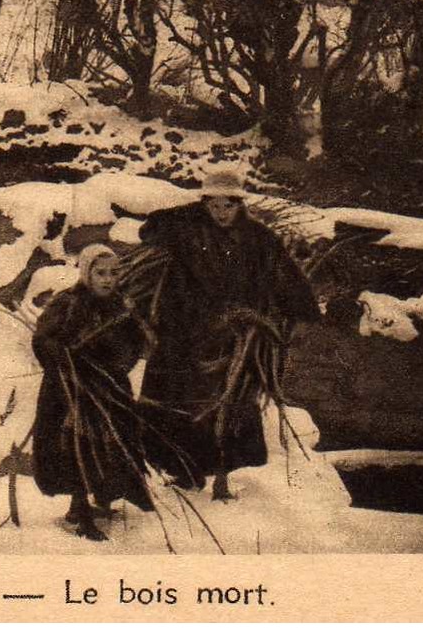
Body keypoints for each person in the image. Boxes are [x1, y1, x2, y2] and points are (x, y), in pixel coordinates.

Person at [137, 168, 320, 500]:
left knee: (228, 402)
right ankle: (185, 472)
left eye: (228, 206)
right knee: (179, 403)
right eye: (213, 205)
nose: (220, 213)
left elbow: (284, 274)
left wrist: (302, 308)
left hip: (234, 334)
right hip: (185, 331)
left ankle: (222, 480)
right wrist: (190, 211)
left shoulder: (258, 238)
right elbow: (148, 229)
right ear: (204, 203)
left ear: (240, 205)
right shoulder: (187, 228)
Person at [30, 244, 152, 541]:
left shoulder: (122, 305)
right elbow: (43, 340)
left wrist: (119, 363)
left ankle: (103, 499)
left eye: (113, 273)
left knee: (112, 441)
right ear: (86, 273)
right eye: (100, 273)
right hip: (70, 389)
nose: (108, 279)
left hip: (109, 385)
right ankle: (80, 510)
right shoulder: (67, 303)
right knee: (75, 445)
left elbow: (137, 344)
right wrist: (66, 358)